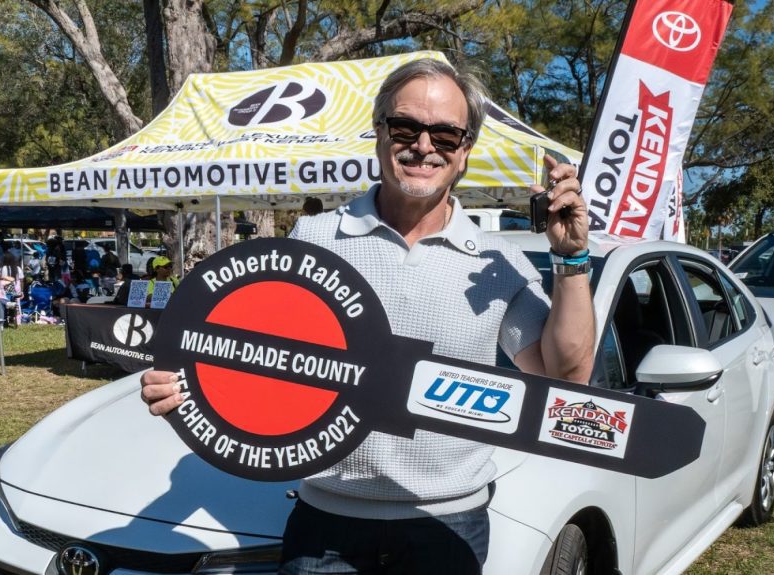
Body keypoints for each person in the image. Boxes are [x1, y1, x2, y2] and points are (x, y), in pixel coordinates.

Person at [141, 58, 595, 575]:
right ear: (379, 134)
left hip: (446, 529)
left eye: (445, 135)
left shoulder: (497, 263)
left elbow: (566, 379)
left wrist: (572, 259)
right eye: (405, 127)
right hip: (325, 529)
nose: (423, 145)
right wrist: (187, 387)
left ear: (465, 151)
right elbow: (258, 360)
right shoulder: (314, 239)